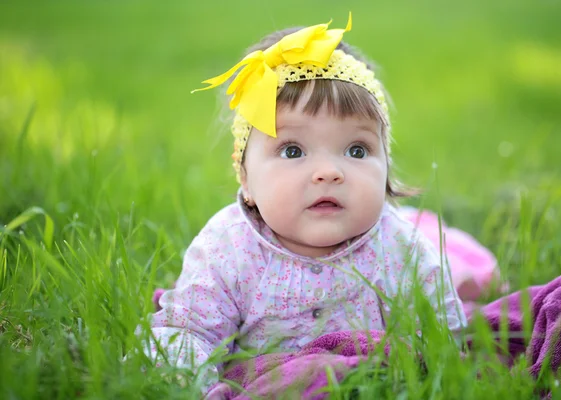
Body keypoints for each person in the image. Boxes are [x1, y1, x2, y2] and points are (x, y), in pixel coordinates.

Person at [145, 14, 467, 393]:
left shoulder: (400, 248)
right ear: (246, 179)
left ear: (385, 166)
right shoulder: (228, 248)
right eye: (293, 150)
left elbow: (442, 337)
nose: (328, 172)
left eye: (357, 150)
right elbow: (187, 334)